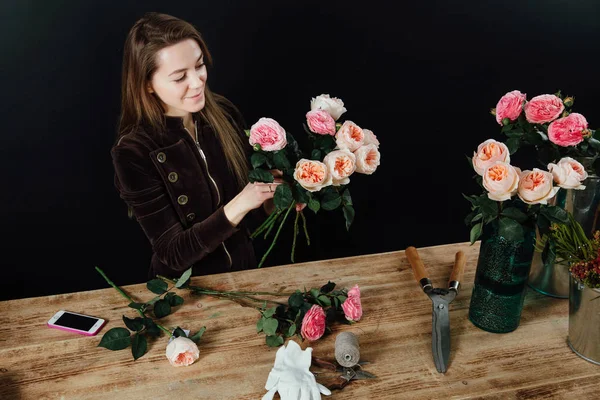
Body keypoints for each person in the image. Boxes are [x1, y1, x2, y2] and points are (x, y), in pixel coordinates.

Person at [111, 12, 280, 279]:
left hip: (246, 278)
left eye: (199, 66)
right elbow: (174, 253)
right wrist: (242, 201)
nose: (197, 81)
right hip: (184, 294)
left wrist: (274, 199)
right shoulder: (133, 153)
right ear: (148, 85)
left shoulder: (223, 114)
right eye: (180, 77)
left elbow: (251, 221)